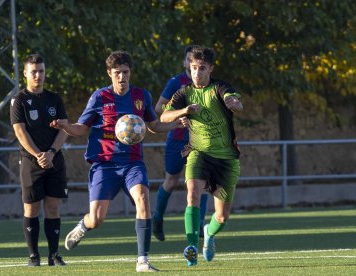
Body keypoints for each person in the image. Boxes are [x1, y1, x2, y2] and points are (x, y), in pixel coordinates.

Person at [50, 50, 182, 273]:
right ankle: (84, 225)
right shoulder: (100, 97)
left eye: (126, 72)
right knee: (97, 218)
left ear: (130, 73)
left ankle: (142, 260)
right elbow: (82, 128)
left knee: (143, 198)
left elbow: (153, 125)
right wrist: (65, 126)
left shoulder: (142, 96)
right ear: (109, 73)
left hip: (132, 163)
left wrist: (174, 124)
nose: (122, 77)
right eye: (118, 73)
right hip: (105, 165)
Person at [160, 46, 243, 267]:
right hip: (198, 153)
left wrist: (234, 103)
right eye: (193, 68)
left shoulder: (220, 88)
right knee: (192, 194)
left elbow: (234, 99)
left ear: (211, 68)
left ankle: (209, 232)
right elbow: (165, 115)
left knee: (222, 217)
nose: (196, 73)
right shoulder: (184, 93)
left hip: (226, 159)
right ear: (189, 67)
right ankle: (191, 248)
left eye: (202, 68)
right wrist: (183, 111)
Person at [10, 54, 68, 266]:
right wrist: (38, 155)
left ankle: (54, 255)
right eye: (33, 71)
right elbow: (20, 132)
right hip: (31, 162)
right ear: (25, 73)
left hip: (54, 159)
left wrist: (51, 152)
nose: (38, 75)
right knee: (31, 208)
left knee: (53, 207)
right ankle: (34, 256)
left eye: (41, 71)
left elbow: (64, 129)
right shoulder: (19, 100)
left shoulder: (55, 98)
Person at [152, 45, 209, 241]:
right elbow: (159, 107)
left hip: (200, 141)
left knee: (200, 184)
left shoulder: (207, 84)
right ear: (186, 62)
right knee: (171, 181)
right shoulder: (176, 82)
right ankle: (157, 218)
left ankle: (199, 225)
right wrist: (181, 112)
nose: (194, 67)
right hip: (177, 140)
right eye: (190, 61)